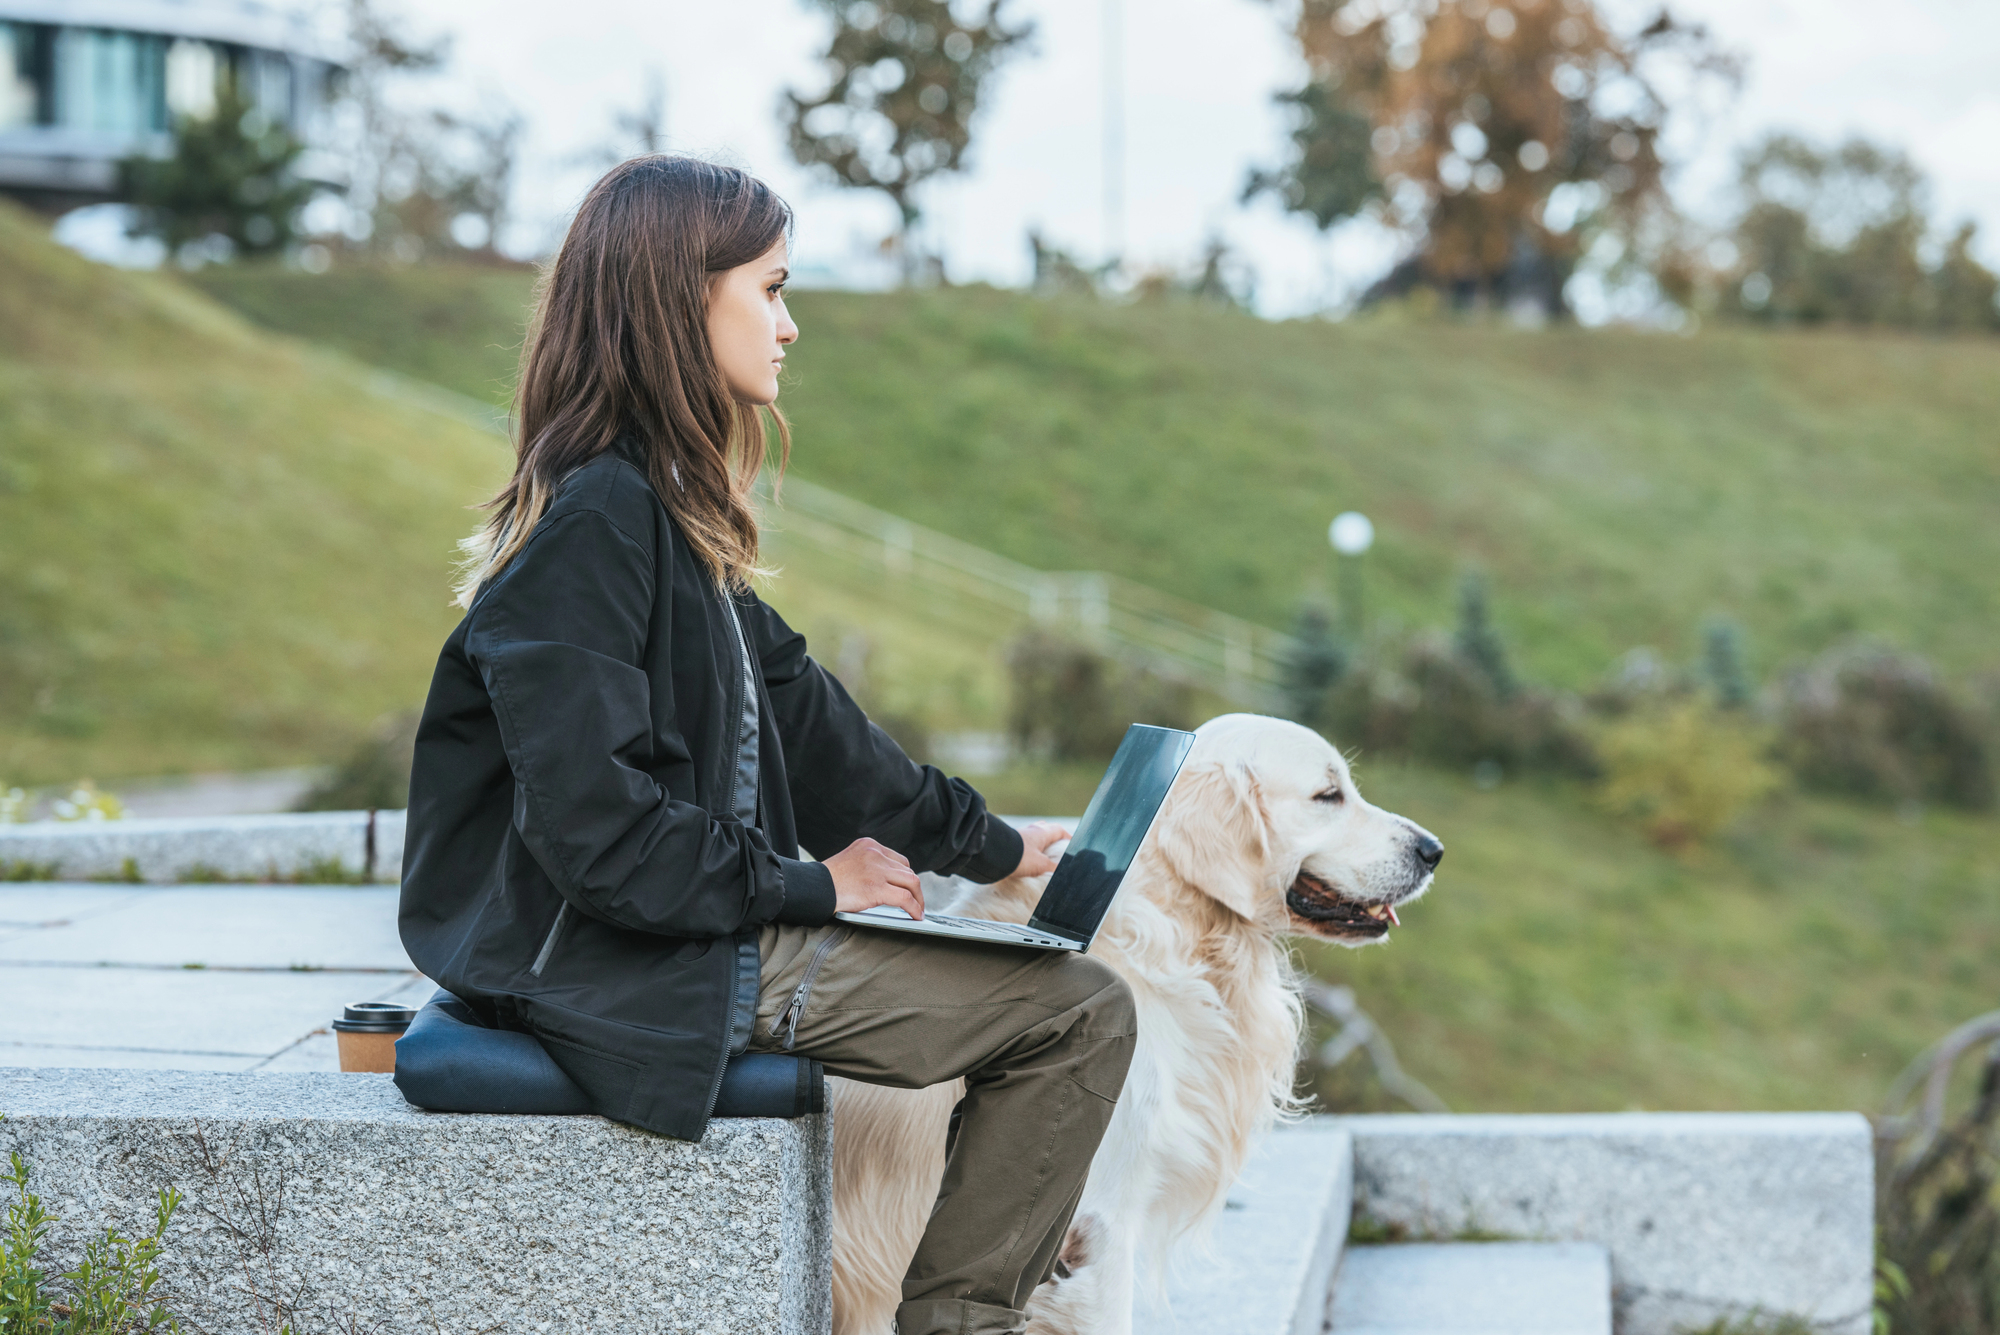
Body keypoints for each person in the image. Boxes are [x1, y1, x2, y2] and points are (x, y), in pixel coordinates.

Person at [398, 155, 1137, 1335]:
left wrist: (995, 847)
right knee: (1074, 1016)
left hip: (668, 933)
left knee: (1061, 996)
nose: (789, 327)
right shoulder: (598, 528)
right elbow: (599, 835)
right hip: (620, 958)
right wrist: (812, 884)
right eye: (770, 290)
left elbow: (816, 726)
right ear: (677, 301)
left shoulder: (661, 515)